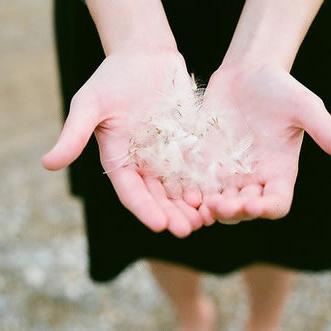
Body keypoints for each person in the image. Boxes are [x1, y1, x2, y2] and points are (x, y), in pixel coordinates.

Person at [43, 0, 331, 330]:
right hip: (113, 17)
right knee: (150, 207)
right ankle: (191, 315)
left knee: (274, 224)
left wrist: (266, 52)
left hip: (289, 20)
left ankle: (264, 322)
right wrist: (132, 37)